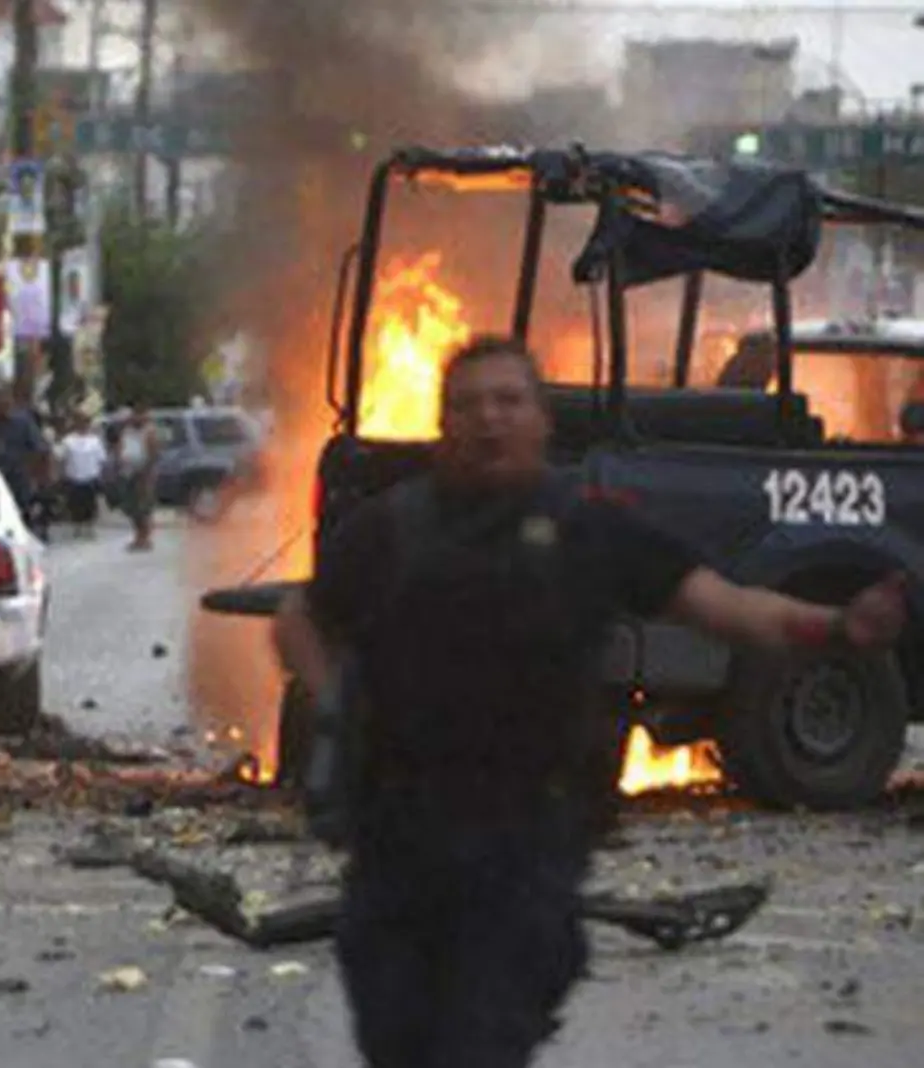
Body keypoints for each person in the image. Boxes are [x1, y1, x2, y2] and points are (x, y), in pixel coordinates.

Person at [271, 335, 908, 1068]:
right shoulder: (390, 530)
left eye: (508, 402)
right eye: (468, 405)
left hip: (525, 846)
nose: (489, 421)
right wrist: (336, 710)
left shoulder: (590, 531)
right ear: (443, 424)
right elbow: (299, 620)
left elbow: (729, 609)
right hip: (400, 845)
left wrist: (837, 627)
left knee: (481, 1042)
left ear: (544, 420)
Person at [0, 390, 50, 535]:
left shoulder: (22, 422)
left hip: (19, 478)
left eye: (5, 403)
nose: (2, 407)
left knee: (20, 512)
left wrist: (40, 476)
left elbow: (40, 448)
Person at [115, 405, 161, 551]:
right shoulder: (127, 431)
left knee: (143, 507)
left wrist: (146, 472)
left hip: (143, 473)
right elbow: (120, 448)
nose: (134, 418)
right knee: (131, 507)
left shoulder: (149, 431)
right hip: (127, 471)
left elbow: (154, 454)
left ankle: (145, 538)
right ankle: (138, 535)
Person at [55, 415, 108, 539]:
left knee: (91, 503)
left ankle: (90, 528)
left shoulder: (95, 440)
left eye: (85, 423)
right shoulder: (68, 440)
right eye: (80, 422)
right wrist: (60, 474)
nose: (83, 425)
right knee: (75, 504)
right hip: (74, 477)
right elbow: (60, 457)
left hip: (91, 476)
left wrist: (104, 476)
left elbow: (101, 459)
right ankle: (77, 527)